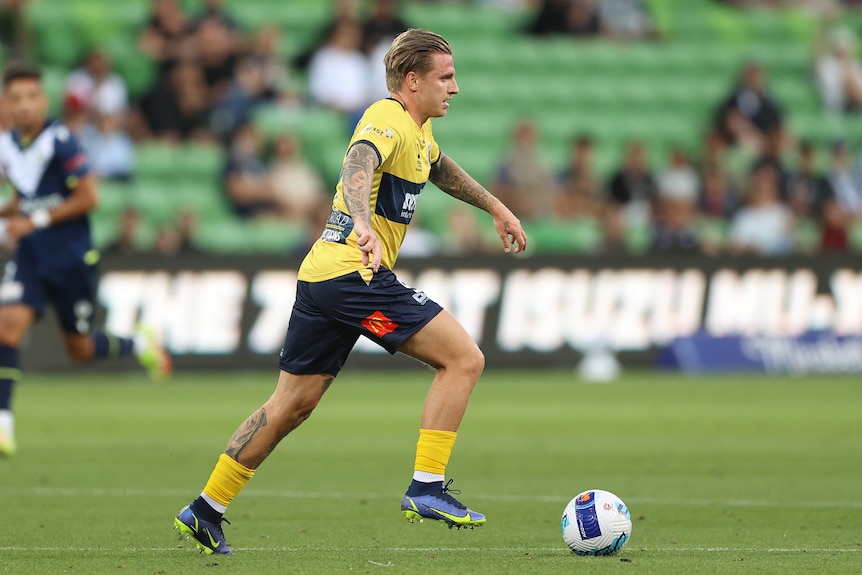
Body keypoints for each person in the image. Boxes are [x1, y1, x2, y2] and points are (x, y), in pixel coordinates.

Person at [173, 28, 528, 555]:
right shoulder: (386, 118)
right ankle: (427, 486)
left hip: (323, 277)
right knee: (463, 359)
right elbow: (358, 162)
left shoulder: (418, 132)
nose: (454, 88)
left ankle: (205, 508)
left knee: (290, 405)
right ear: (412, 81)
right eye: (445, 78)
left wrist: (496, 207)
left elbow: (439, 168)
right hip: (354, 276)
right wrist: (362, 222)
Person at [0, 63, 171, 456]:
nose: (25, 105)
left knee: (79, 350)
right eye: (16, 98)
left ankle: (137, 343)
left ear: (43, 100)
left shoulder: (60, 140)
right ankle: (3, 425)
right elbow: (23, 198)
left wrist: (33, 220)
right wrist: (10, 214)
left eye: (31, 97)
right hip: (30, 255)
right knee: (7, 329)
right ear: (7, 104)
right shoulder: (8, 145)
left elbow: (89, 197)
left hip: (70, 257)